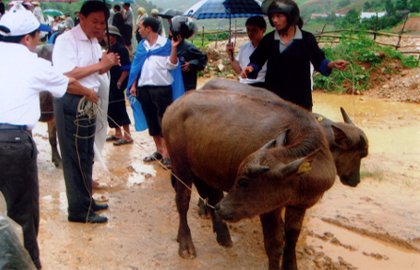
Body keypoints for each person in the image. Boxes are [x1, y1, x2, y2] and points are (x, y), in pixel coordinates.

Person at [0, 7, 99, 268]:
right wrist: (88, 92)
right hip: (14, 144)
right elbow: (67, 83)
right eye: (37, 38)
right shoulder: (32, 62)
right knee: (23, 216)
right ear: (27, 39)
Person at [52, 0, 119, 223]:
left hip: (89, 103)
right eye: (94, 21)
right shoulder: (66, 40)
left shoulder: (93, 42)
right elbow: (66, 74)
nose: (99, 27)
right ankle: (79, 211)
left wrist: (106, 64)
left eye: (103, 22)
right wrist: (100, 65)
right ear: (80, 18)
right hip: (72, 101)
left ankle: (86, 200)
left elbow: (93, 72)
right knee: (75, 157)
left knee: (87, 154)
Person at [241, 0, 348, 111]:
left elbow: (319, 60)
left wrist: (333, 64)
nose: (274, 20)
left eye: (279, 16)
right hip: (275, 97)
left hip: (301, 97)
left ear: (291, 16)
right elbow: (257, 60)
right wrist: (251, 67)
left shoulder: (306, 39)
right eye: (272, 16)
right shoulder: (269, 39)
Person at [127, 17, 184, 169]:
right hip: (144, 88)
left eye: (140, 27)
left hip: (162, 88)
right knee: (151, 118)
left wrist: (173, 48)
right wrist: (133, 84)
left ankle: (167, 152)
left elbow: (172, 65)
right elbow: (136, 68)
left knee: (163, 120)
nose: (138, 30)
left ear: (149, 28)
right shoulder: (142, 45)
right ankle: (158, 149)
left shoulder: (166, 44)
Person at [103, 26, 132, 146]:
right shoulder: (109, 50)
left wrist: (120, 82)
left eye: (107, 36)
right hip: (110, 82)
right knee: (111, 107)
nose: (105, 38)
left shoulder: (121, 49)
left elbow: (126, 68)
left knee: (120, 107)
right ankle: (118, 132)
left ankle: (128, 135)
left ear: (114, 36)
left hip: (117, 82)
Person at [226, 16, 267, 88]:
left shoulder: (269, 48)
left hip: (262, 85)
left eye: (254, 30)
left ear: (263, 30)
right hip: (244, 84)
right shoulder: (244, 47)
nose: (250, 33)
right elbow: (239, 71)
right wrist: (230, 55)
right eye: (248, 30)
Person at [170, 16, 207, 91]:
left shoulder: (188, 47)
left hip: (187, 85)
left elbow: (203, 59)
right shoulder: (168, 46)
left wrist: (191, 63)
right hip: (173, 84)